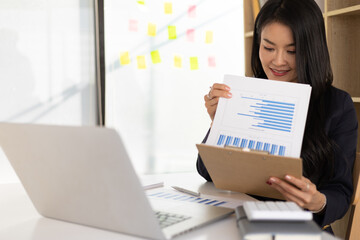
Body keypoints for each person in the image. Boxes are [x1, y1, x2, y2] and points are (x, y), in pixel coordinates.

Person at [196, 0, 358, 234]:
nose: (278, 61)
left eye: (292, 51)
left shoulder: (336, 105)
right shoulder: (246, 91)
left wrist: (317, 201)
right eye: (268, 48)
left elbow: (341, 193)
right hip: (240, 225)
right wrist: (218, 123)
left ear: (312, 49)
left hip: (301, 231)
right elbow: (206, 171)